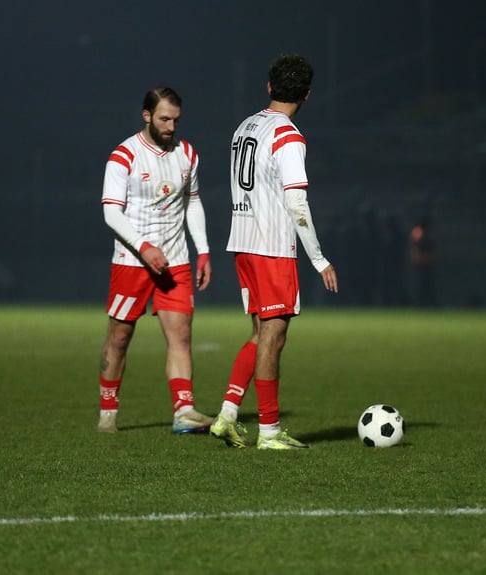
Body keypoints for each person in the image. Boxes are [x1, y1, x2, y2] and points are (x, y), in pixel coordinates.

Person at [209, 54, 338, 450]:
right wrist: (319, 259)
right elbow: (296, 204)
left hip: (243, 241)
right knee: (274, 337)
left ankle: (228, 416)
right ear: (307, 95)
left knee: (258, 332)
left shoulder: (245, 126)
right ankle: (268, 431)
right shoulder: (289, 136)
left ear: (269, 87)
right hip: (271, 247)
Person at [97, 86, 215, 434]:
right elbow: (111, 213)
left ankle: (184, 412)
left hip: (176, 260)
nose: (171, 126)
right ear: (147, 116)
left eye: (176, 119)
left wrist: (203, 249)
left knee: (181, 335)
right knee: (119, 338)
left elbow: (192, 202)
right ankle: (108, 414)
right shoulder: (124, 156)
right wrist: (143, 246)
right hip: (132, 261)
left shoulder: (187, 154)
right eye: (164, 119)